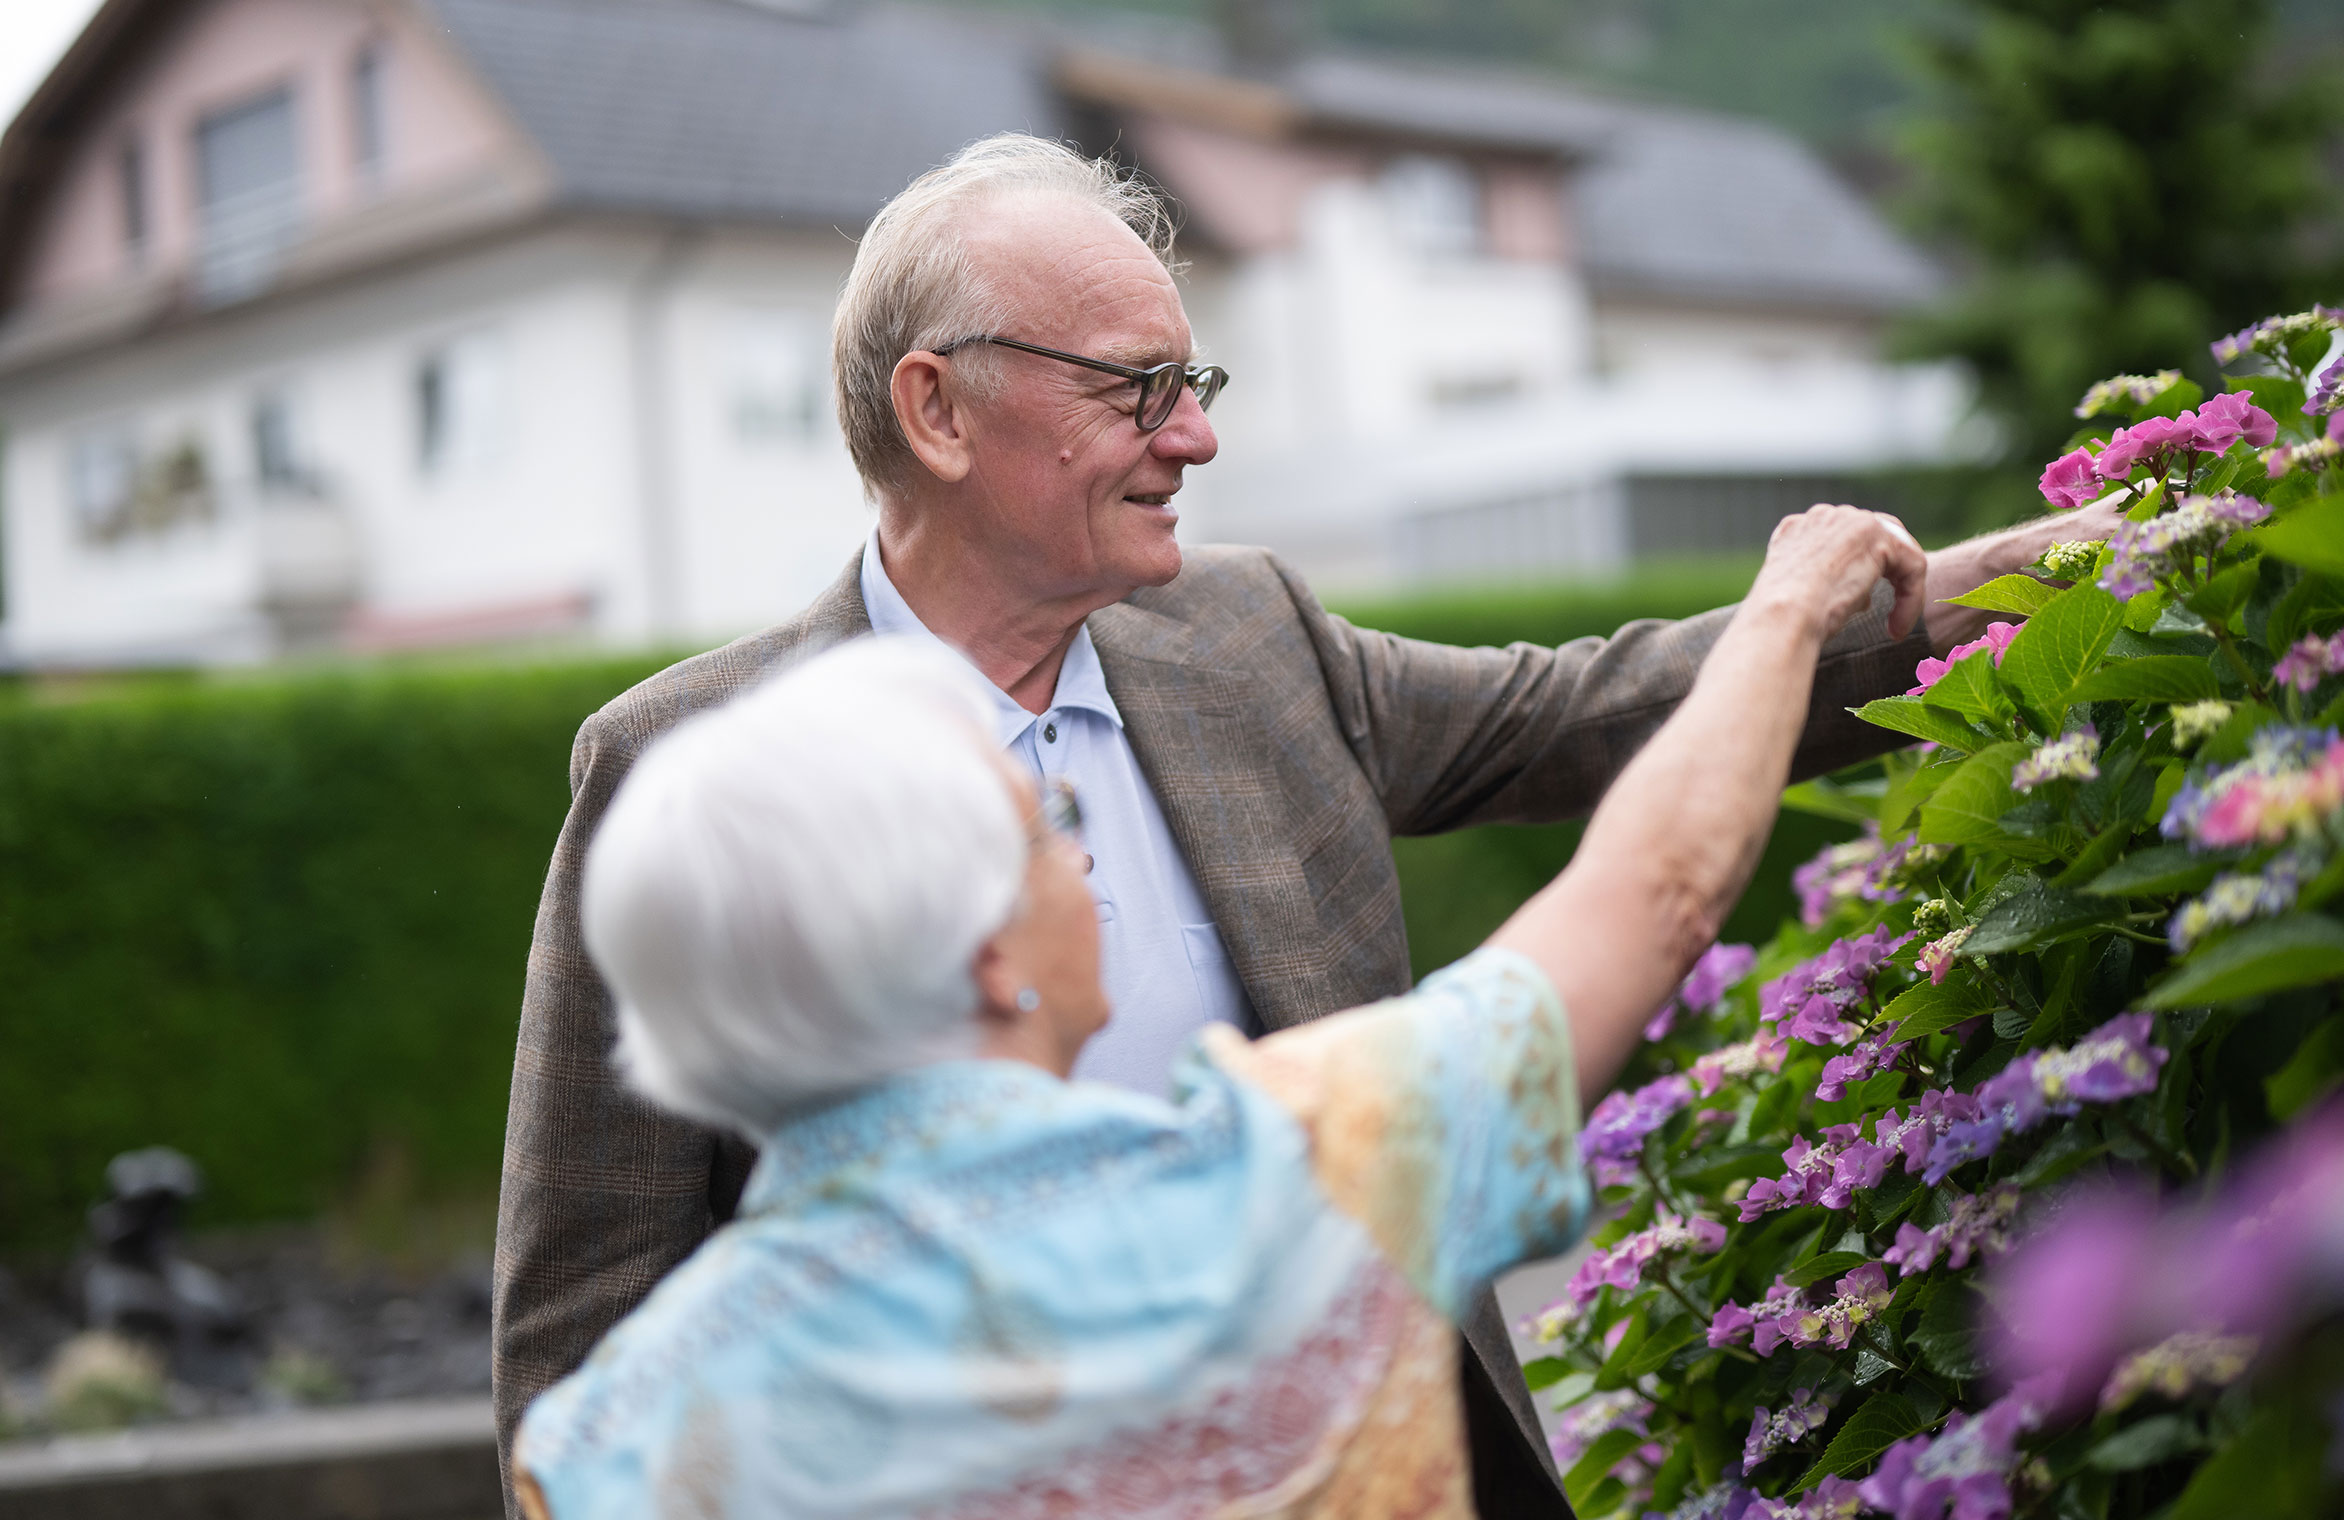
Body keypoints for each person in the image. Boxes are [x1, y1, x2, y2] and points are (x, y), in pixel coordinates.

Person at [493, 134, 2122, 1516]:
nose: (1194, 435)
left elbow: (1583, 709)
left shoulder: (1246, 634)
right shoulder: (683, 768)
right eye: (1137, 388)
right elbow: (577, 1310)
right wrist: (1784, 603)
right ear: (938, 409)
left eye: (1191, 382)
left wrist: (2022, 577)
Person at [509, 502, 1928, 1519]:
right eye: (1046, 826)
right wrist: (1789, 605)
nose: (1083, 861)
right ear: (988, 960)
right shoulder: (1289, 1182)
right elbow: (1658, 887)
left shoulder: (604, 1443)